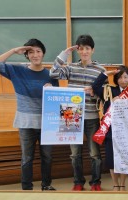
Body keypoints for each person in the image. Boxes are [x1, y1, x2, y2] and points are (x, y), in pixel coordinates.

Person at [0, 38, 58, 191]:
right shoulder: (18, 71)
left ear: (43, 53)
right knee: (27, 157)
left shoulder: (51, 75)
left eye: (38, 51)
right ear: (26, 55)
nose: (35, 55)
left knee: (47, 157)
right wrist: (14, 51)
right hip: (26, 122)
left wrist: (51, 90)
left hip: (47, 123)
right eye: (31, 52)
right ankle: (26, 187)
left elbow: (57, 101)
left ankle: (46, 185)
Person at [50, 34, 105, 191]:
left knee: (94, 153)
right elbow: (52, 73)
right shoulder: (71, 67)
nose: (84, 51)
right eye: (81, 49)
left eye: (88, 48)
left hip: (92, 116)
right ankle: (78, 182)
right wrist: (64, 54)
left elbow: (104, 93)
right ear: (78, 50)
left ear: (92, 50)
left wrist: (95, 93)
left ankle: (96, 182)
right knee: (75, 154)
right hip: (71, 114)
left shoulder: (100, 70)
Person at [92, 65, 128, 191]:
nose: (123, 80)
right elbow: (95, 87)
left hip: (126, 129)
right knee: (111, 158)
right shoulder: (108, 90)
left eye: (125, 77)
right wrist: (106, 74)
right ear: (116, 79)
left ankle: (123, 184)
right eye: (120, 77)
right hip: (111, 129)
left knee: (124, 157)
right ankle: (115, 184)